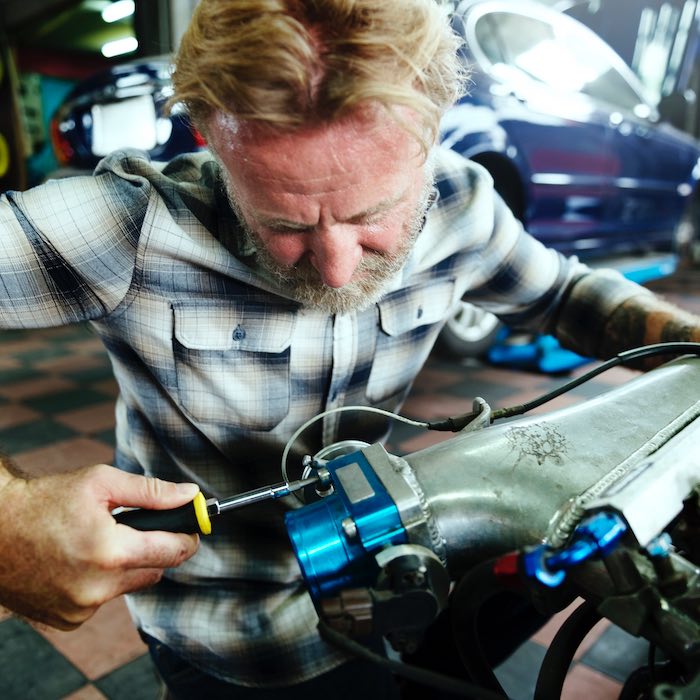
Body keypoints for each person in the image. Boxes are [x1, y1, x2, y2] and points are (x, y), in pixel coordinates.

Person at [0, 0, 699, 697]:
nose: (335, 270)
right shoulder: (135, 224)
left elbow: (571, 298)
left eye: (371, 216)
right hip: (227, 638)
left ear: (433, 128)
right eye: (283, 222)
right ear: (212, 135)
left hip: (386, 585)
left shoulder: (459, 202)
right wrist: (8, 524)